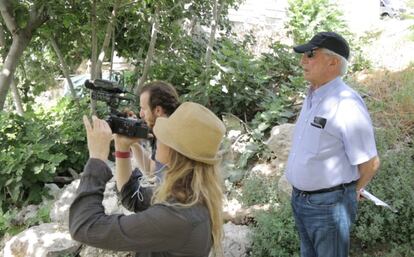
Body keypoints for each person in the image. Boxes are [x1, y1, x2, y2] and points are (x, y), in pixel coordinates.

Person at [69, 102, 226, 257]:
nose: (157, 136)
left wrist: (97, 158)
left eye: (164, 135)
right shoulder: (189, 195)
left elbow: (84, 226)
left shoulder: (178, 217)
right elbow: (132, 198)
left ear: (174, 152)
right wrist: (122, 147)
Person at [285, 32, 380, 257]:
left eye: (310, 55)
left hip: (328, 207)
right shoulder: (312, 97)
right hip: (301, 201)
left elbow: (370, 163)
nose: (302, 61)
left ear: (333, 62)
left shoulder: (346, 103)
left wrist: (351, 193)